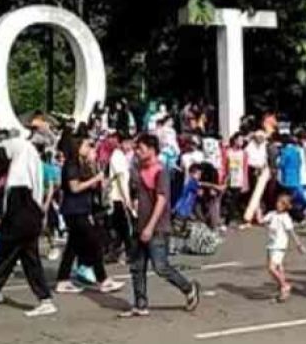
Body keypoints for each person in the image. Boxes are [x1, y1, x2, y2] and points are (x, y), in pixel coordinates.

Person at [0, 132, 59, 318]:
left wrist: (1, 223)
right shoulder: (28, 169)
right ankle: (45, 300)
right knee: (30, 263)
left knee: (3, 263)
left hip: (17, 228)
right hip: (28, 225)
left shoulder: (18, 180)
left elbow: (13, 207)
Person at [123, 134, 202, 317]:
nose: (137, 152)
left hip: (157, 226)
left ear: (151, 150)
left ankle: (189, 288)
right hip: (139, 223)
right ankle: (140, 303)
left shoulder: (161, 172)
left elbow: (161, 200)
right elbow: (136, 193)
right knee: (137, 266)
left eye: (140, 149)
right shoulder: (136, 170)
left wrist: (150, 227)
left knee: (161, 267)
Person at [54, 136, 124, 295]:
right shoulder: (71, 165)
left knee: (72, 247)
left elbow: (89, 186)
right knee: (94, 243)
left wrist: (96, 173)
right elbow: (74, 187)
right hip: (74, 211)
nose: (89, 148)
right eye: (86, 145)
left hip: (81, 209)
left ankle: (63, 279)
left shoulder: (81, 164)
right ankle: (103, 280)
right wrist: (95, 178)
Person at [263, 191, 305, 302]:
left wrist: (299, 245)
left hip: (280, 245)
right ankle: (282, 291)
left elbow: (291, 232)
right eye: (278, 202)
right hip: (271, 244)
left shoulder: (285, 218)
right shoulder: (272, 214)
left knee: (271, 268)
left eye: (282, 204)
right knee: (278, 268)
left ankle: (284, 285)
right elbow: (261, 221)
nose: (278, 205)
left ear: (286, 206)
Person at [107, 133, 136, 263]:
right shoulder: (117, 156)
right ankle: (128, 253)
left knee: (120, 228)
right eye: (128, 142)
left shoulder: (122, 157)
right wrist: (126, 199)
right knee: (125, 227)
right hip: (118, 197)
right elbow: (120, 179)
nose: (130, 145)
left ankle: (114, 252)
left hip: (120, 196)